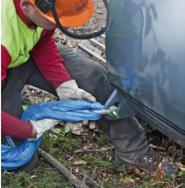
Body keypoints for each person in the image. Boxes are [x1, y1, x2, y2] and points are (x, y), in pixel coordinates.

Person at [1, 0, 174, 174]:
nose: (56, 25)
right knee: (21, 158)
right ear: (26, 6)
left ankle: (134, 151)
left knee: (91, 75)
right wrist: (30, 130)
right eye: (54, 21)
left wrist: (65, 85)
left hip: (21, 54)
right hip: (6, 60)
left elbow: (42, 40)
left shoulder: (42, 9)